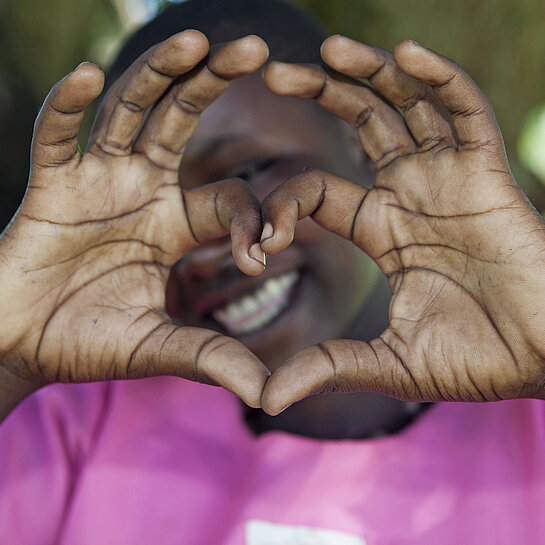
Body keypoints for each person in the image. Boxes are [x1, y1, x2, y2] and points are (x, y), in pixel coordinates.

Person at [1, 0, 545, 542]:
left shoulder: (527, 401)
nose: (204, 252)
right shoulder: (69, 421)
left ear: (363, 143)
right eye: (151, 217)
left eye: (247, 171)